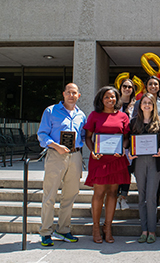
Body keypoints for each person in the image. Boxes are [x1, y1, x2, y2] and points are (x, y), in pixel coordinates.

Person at [37, 83, 86, 246]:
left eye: (75, 93)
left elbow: (85, 136)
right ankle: (45, 231)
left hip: (75, 156)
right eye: (69, 92)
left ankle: (63, 229)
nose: (72, 95)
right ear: (64, 94)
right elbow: (42, 134)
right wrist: (55, 145)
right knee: (50, 194)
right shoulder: (51, 111)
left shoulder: (81, 115)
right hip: (56, 155)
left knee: (70, 195)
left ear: (79, 96)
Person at [84, 86, 131, 243]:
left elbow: (126, 137)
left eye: (113, 97)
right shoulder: (94, 115)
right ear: (101, 99)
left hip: (117, 159)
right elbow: (88, 137)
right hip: (99, 159)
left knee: (112, 193)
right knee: (99, 193)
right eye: (107, 97)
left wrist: (123, 148)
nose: (110, 100)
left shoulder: (123, 116)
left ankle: (108, 227)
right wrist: (92, 151)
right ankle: (95, 227)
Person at [126, 93, 160, 244]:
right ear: (140, 105)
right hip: (139, 162)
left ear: (154, 105)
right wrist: (129, 152)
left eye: (150, 102)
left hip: (155, 163)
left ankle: (152, 231)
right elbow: (128, 142)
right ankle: (144, 230)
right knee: (141, 197)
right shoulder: (134, 122)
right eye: (144, 102)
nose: (147, 105)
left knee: (151, 197)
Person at [116, 78, 136, 210]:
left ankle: (123, 198)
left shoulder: (136, 104)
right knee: (117, 171)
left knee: (127, 172)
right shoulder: (114, 103)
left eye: (130, 87)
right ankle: (114, 197)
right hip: (115, 143)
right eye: (125, 86)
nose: (127, 89)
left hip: (131, 143)